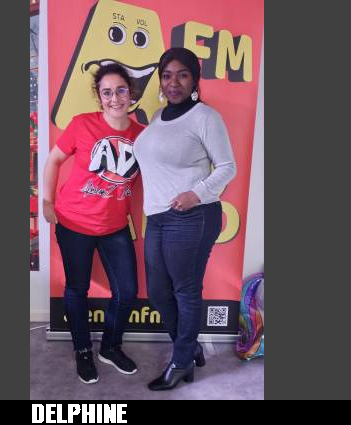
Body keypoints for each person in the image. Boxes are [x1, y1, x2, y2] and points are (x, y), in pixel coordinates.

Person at [133, 47, 236, 391]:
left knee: (185, 290)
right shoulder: (159, 116)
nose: (173, 82)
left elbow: (227, 167)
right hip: (158, 218)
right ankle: (188, 349)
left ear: (194, 79)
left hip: (192, 216)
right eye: (166, 76)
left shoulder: (205, 117)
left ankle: (180, 362)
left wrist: (196, 194)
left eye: (182, 75)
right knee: (159, 292)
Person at [43, 63, 144, 384]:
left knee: (127, 291)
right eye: (107, 92)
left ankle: (110, 347)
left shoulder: (142, 136)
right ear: (99, 97)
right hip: (73, 223)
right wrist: (46, 201)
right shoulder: (82, 124)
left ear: (131, 92)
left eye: (121, 90)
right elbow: (54, 160)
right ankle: (83, 350)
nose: (115, 98)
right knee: (76, 289)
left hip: (115, 227)